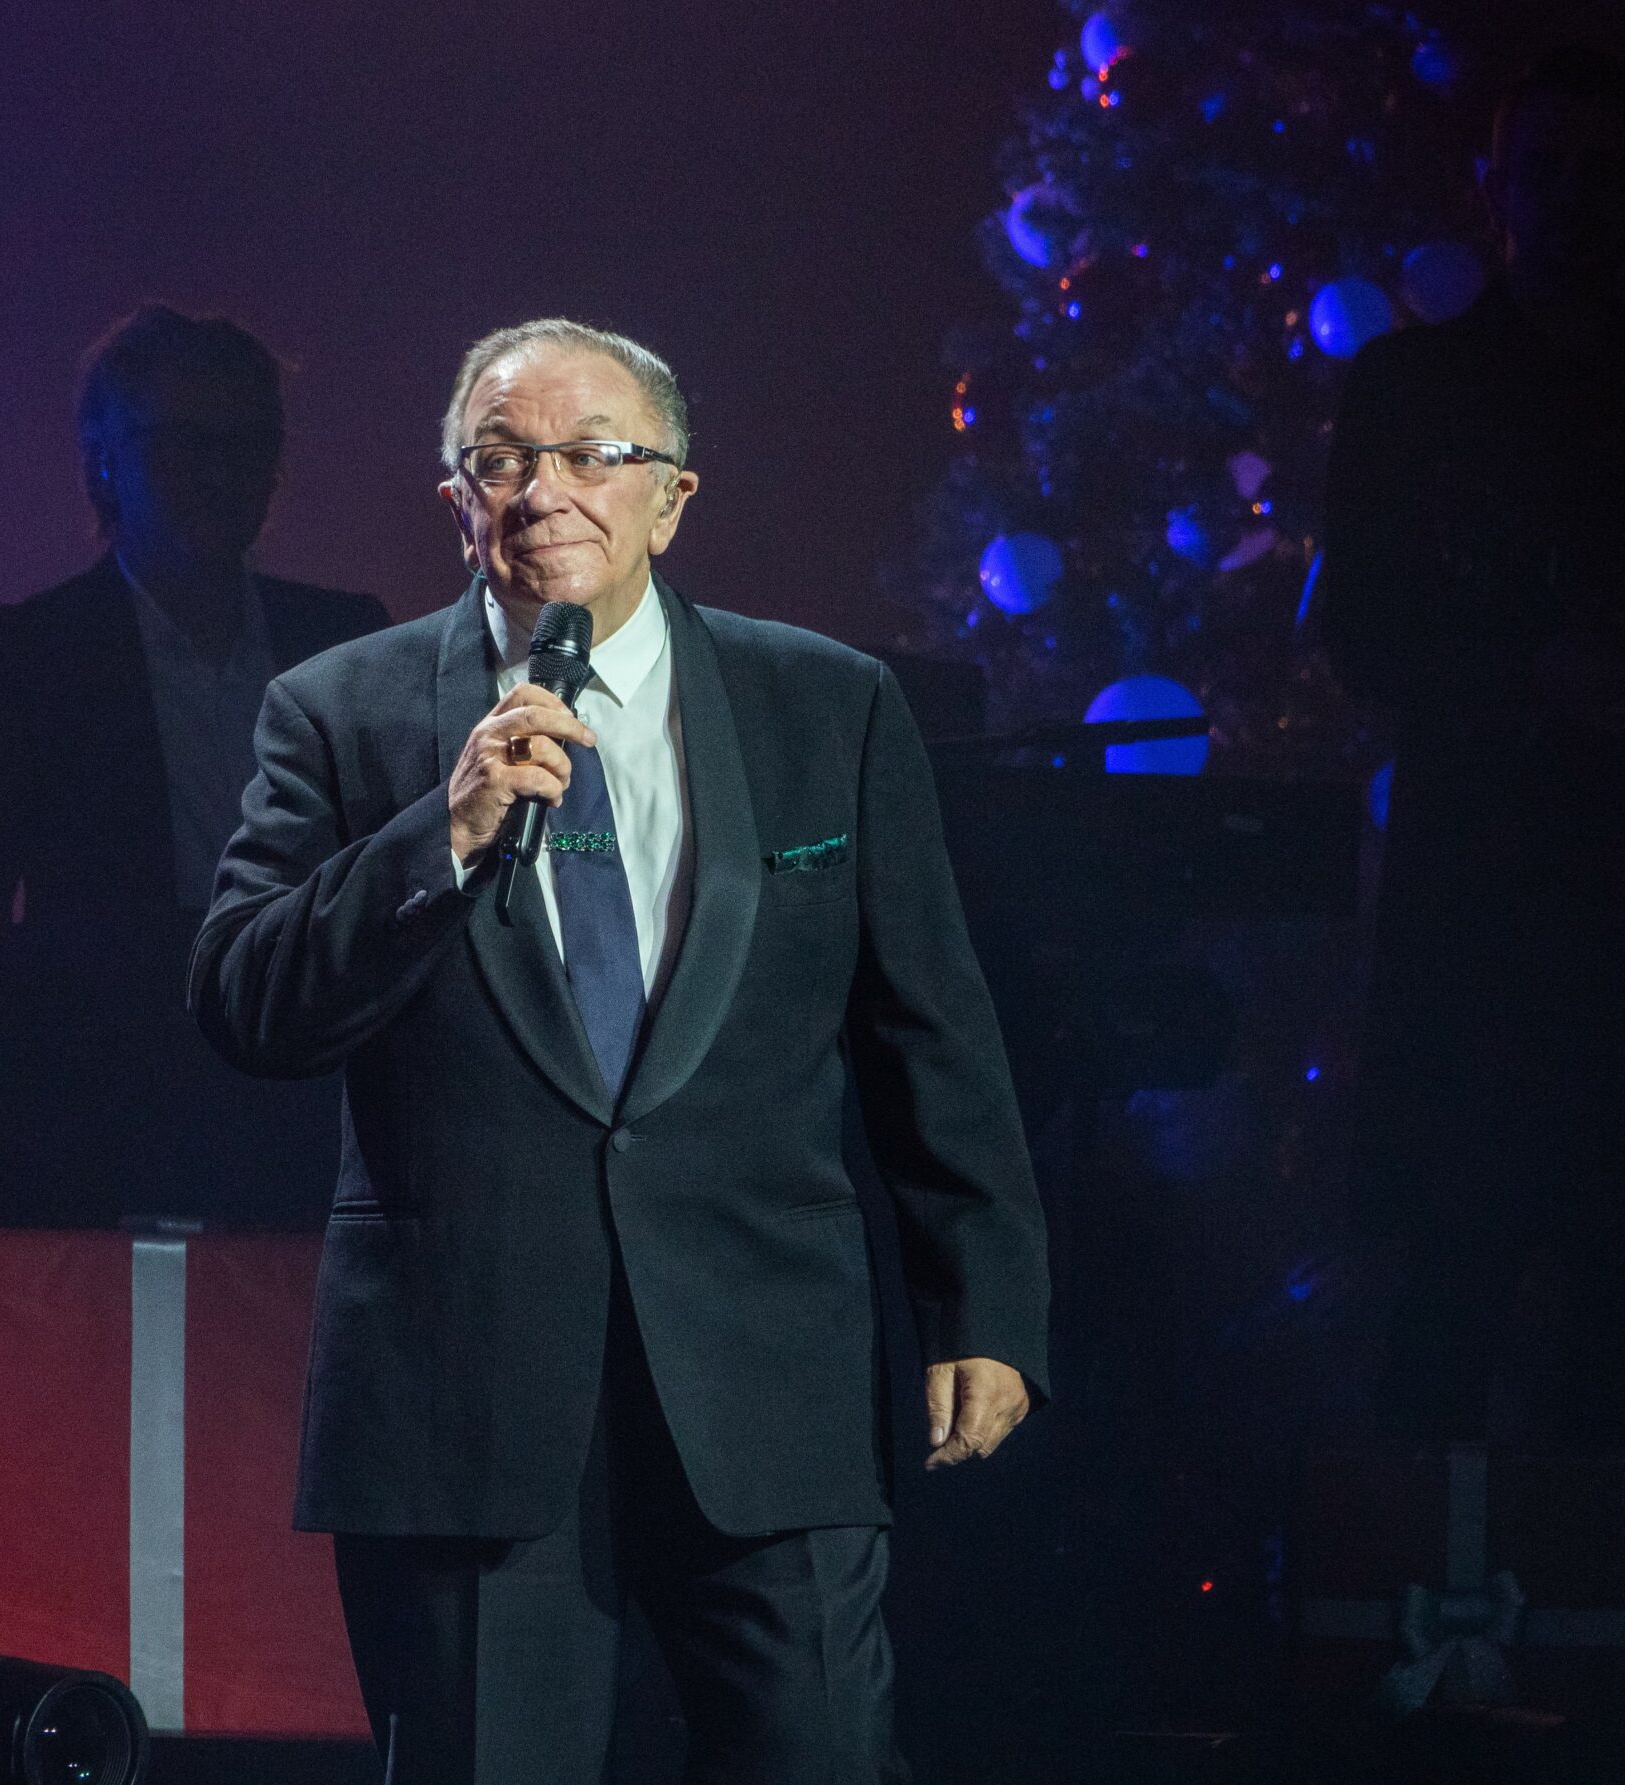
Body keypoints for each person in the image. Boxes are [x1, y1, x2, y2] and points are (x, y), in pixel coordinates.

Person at [191, 319, 1051, 1781]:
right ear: (455, 499)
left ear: (674, 494)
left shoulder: (825, 705)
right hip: (469, 1402)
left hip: (768, 1381)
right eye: (502, 460)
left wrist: (984, 1297)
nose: (546, 492)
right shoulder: (341, 712)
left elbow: (931, 1026)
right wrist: (440, 835)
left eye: (596, 455)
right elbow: (244, 1000)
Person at [1323, 49, 1625, 1577]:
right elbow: (1363, 626)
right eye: (1549, 169)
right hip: (1490, 895)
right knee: (1460, 1270)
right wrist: (1532, 673)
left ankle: (1582, 1637)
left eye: (1605, 173)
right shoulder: (1413, 391)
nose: (1574, 202)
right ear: (1497, 183)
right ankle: (1408, 1625)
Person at [0, 305, 385, 1228]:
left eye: (247, 441)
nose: (221, 469)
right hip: (104, 1126)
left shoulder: (346, 637)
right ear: (104, 462)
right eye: (188, 441)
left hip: (308, 1113)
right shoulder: (24, 656)